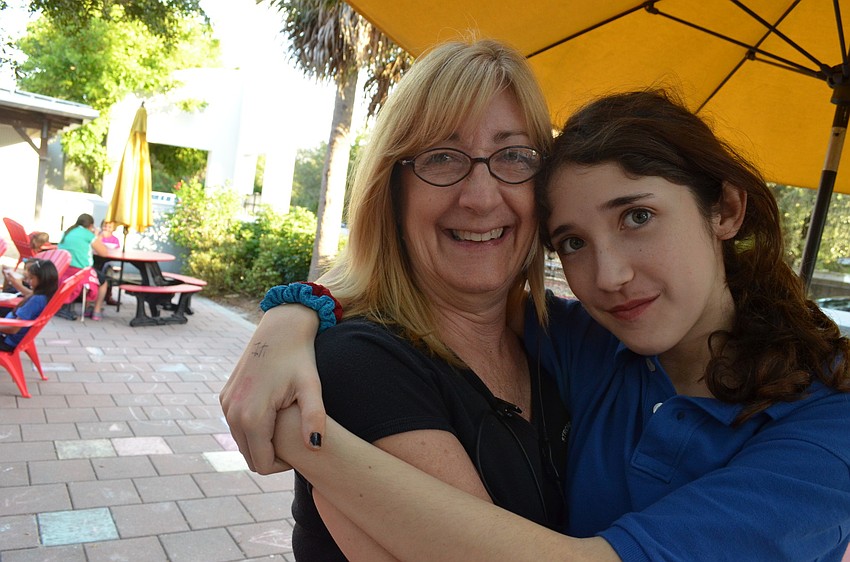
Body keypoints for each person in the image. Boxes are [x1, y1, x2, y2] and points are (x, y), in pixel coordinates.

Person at [221, 88, 850, 560]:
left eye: (636, 217)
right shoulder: (601, 345)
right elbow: (418, 287)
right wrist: (292, 314)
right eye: (572, 242)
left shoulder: (828, 422)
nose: (609, 276)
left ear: (726, 209)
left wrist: (306, 443)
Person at [229, 38, 568, 560]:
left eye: (514, 156)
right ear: (393, 190)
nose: (480, 197)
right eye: (442, 158)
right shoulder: (357, 365)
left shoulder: (566, 344)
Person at [56, 213, 109, 321]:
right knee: (102, 281)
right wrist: (96, 235)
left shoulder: (67, 232)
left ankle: (87, 305)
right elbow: (104, 253)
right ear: (90, 226)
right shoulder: (88, 234)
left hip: (65, 270)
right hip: (80, 272)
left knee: (94, 275)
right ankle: (96, 311)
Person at [0, 258, 58, 350]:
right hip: (9, 335)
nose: (28, 281)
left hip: (7, 340)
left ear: (43, 279)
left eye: (31, 278)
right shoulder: (43, 295)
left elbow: (14, 329)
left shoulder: (36, 300)